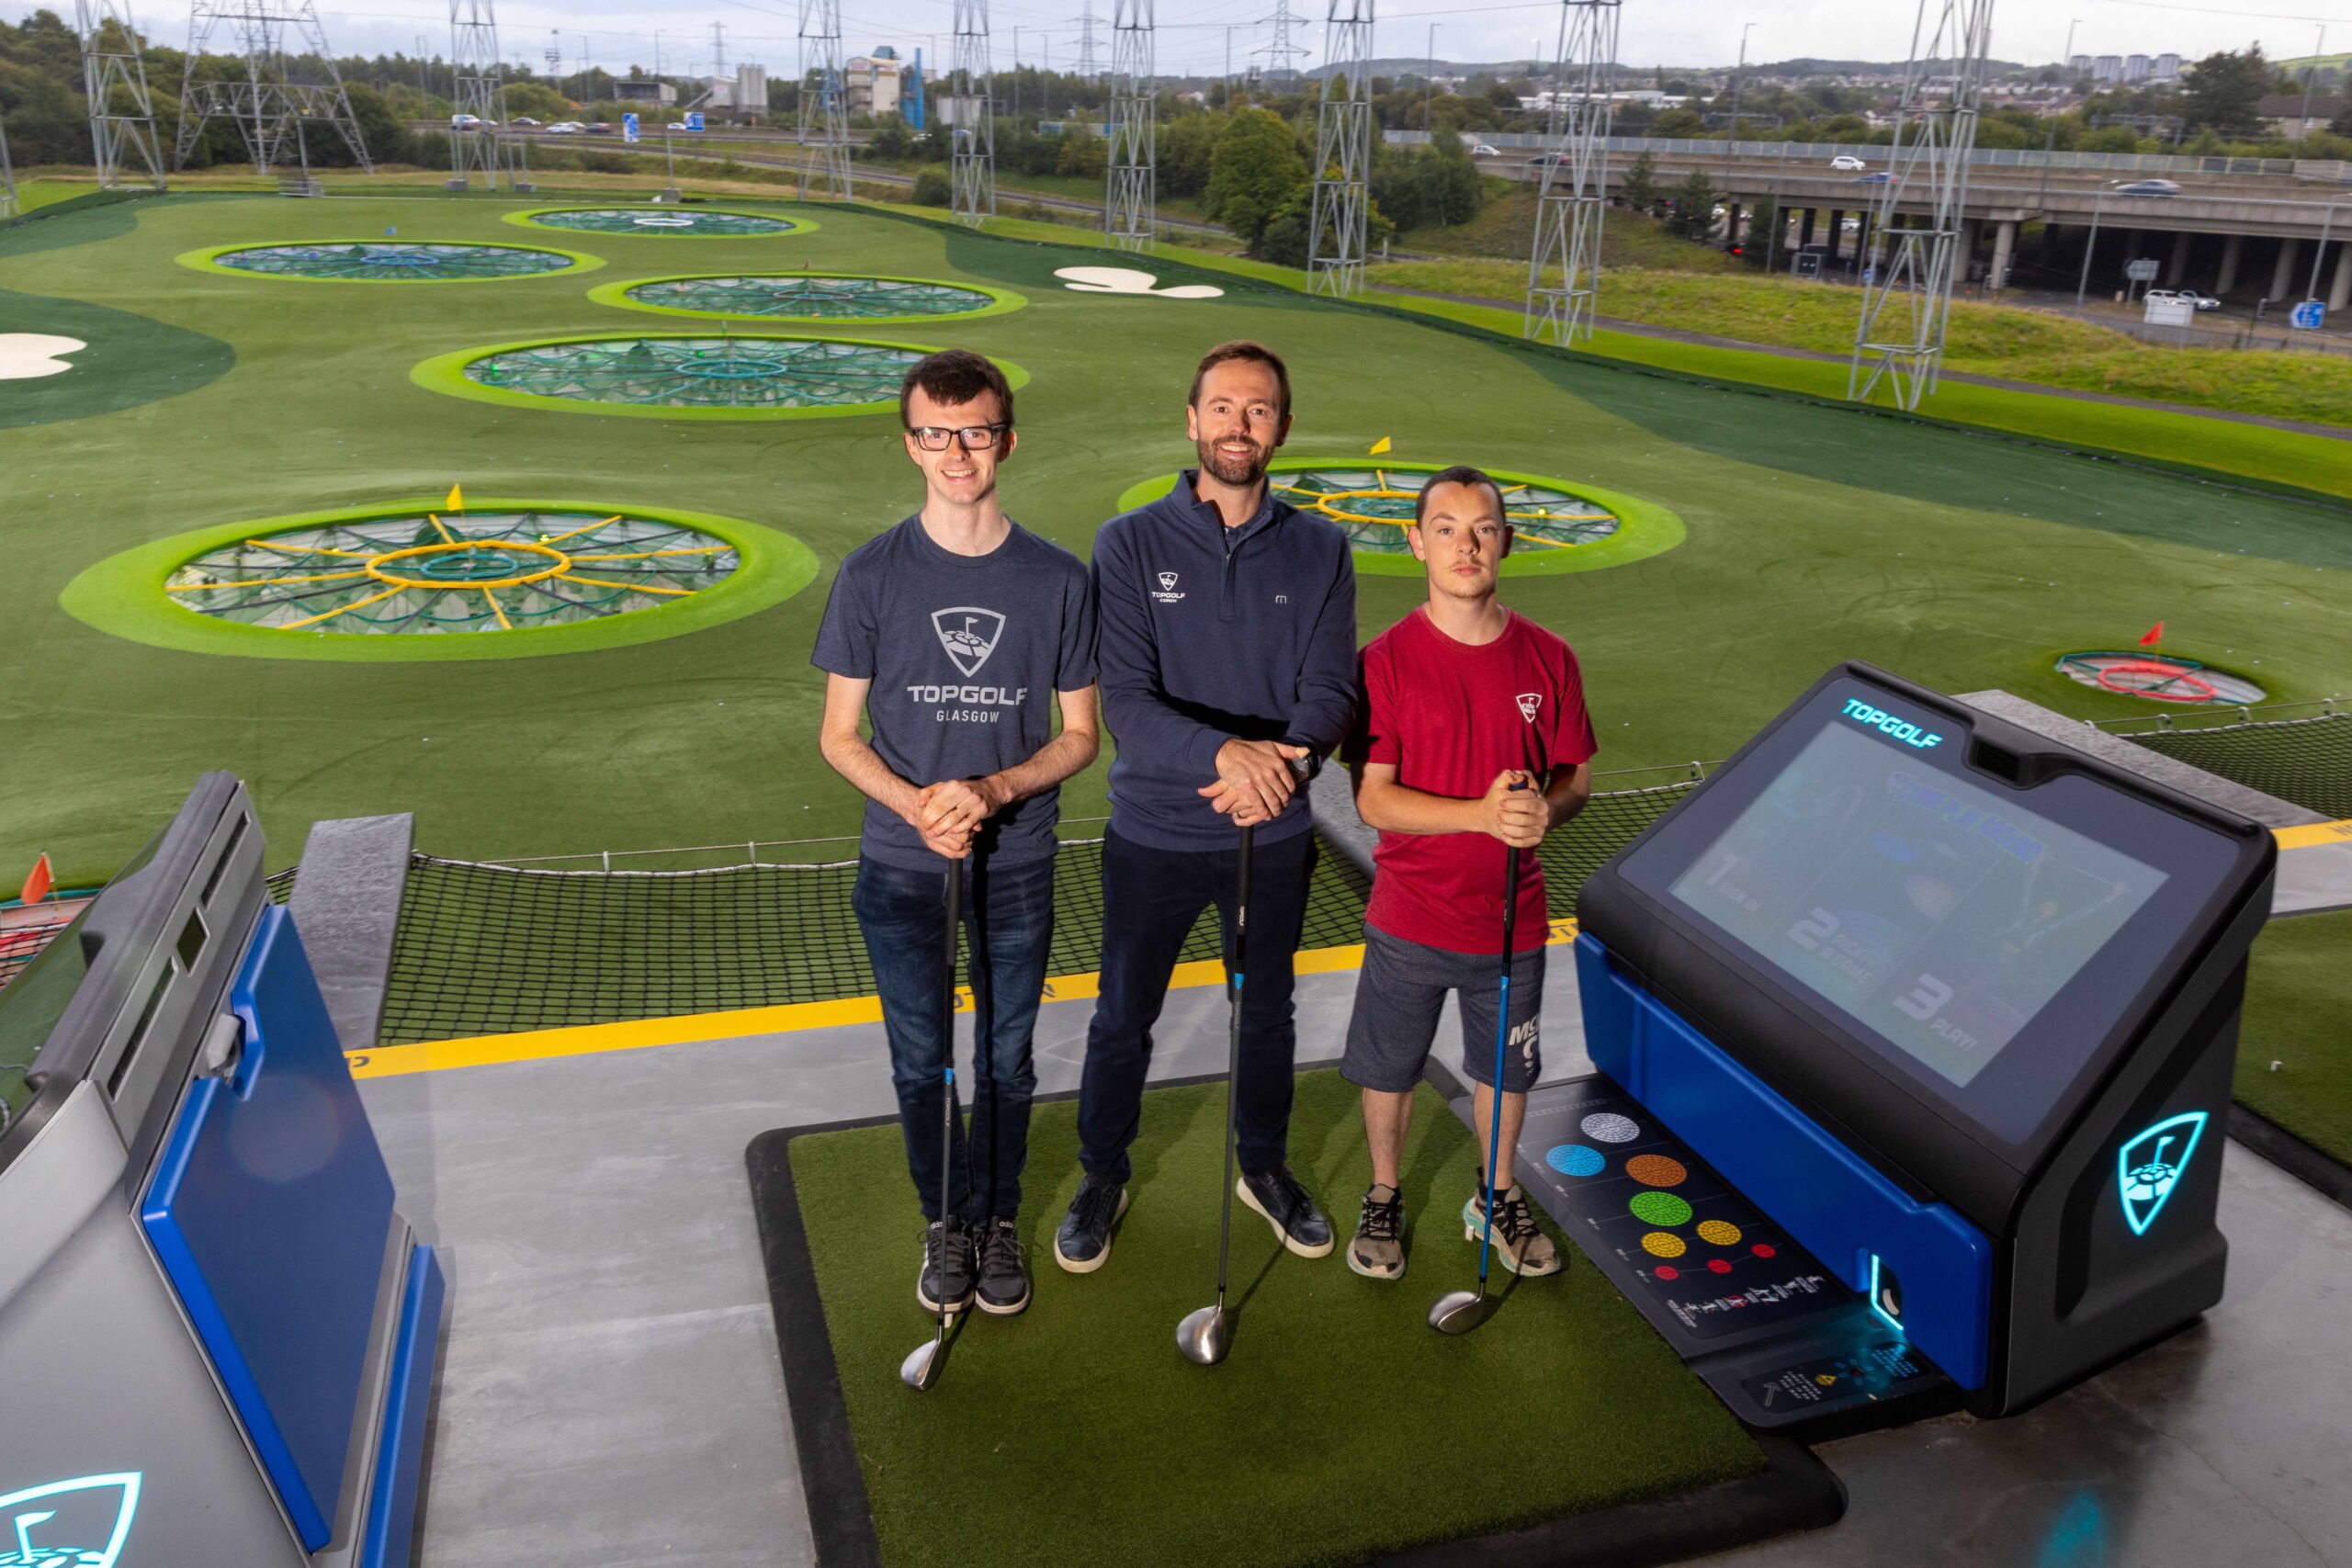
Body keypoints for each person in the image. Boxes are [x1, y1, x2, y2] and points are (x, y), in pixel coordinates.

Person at [1056, 340, 1358, 1273]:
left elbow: (1329, 695)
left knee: (1265, 1013)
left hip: (1270, 836)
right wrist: (1232, 758)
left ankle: (1261, 1168)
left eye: (1258, 409)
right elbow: (1130, 705)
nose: (1239, 424)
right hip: (1153, 831)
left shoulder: (1321, 548)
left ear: (1282, 429)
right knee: (1121, 1018)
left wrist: (1282, 768)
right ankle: (1102, 1173)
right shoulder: (1129, 542)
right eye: (1222, 407)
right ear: (1192, 422)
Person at [813, 348, 1100, 1319]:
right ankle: (945, 1217)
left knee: (1007, 1060)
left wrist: (988, 789)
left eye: (974, 431)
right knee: (918, 1059)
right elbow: (837, 737)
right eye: (936, 434)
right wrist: (921, 807)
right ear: (911, 445)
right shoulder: (869, 576)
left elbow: (1079, 736)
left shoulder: (1058, 579)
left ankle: (998, 1215)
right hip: (900, 866)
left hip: (1014, 864)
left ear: (1004, 440)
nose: (956, 452)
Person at [1339, 465, 1594, 1282]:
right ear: (1416, 542)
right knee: (1389, 1069)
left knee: (1506, 1072)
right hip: (1410, 916)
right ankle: (1383, 1193)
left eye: (1482, 527)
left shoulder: (1550, 657)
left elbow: (1576, 779)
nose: (1465, 543)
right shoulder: (1381, 662)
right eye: (1445, 527)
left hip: (1513, 923)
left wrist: (1543, 811)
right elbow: (1373, 801)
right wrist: (1480, 814)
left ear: (1507, 542)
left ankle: (1497, 1191)